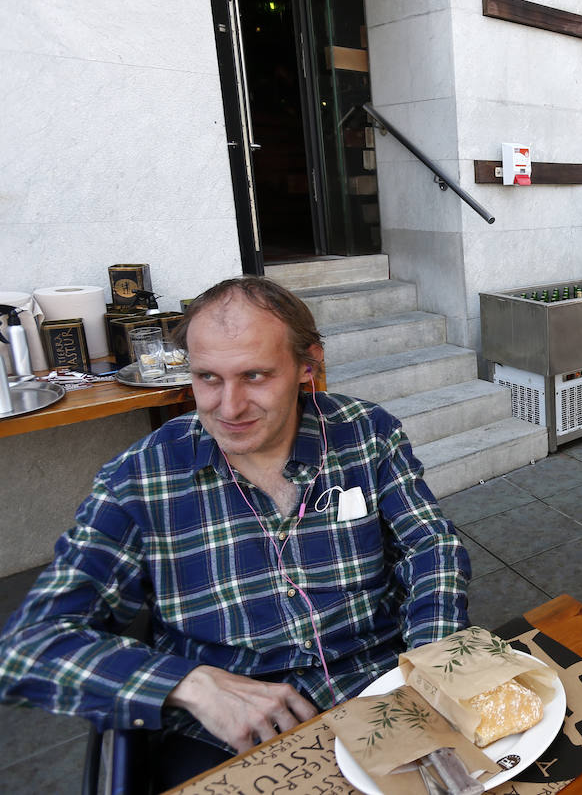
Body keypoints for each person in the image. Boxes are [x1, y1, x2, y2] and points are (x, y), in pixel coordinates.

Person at [0, 277, 470, 787]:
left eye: (254, 375)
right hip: (228, 732)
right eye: (207, 378)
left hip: (378, 685)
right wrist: (190, 685)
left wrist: (431, 659)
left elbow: (431, 548)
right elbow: (28, 645)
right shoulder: (140, 479)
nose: (229, 408)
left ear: (306, 366)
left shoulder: (366, 433)